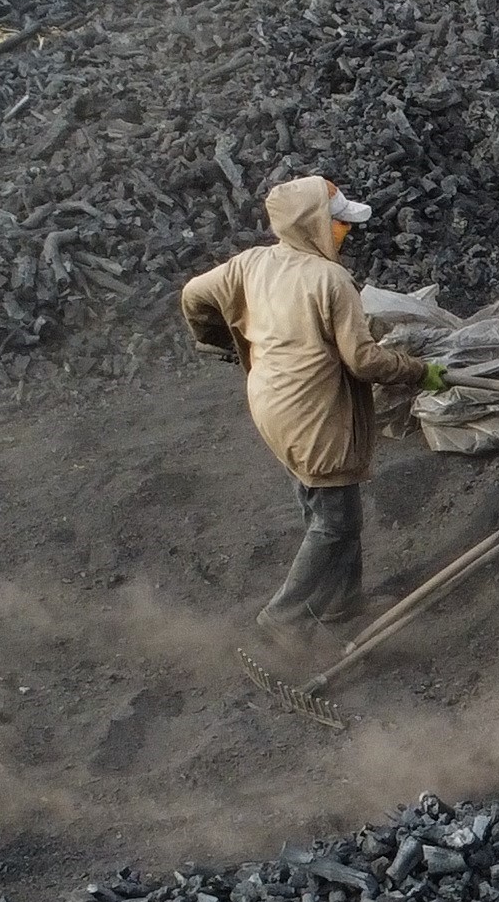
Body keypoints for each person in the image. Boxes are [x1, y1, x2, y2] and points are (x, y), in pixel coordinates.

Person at [179, 175, 448, 642]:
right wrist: (419, 371)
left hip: (271, 404)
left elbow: (193, 296)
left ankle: (343, 601)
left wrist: (219, 339)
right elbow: (363, 361)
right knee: (333, 521)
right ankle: (281, 619)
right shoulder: (331, 280)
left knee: (320, 501)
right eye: (338, 223)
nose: (345, 231)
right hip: (312, 413)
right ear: (313, 225)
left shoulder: (252, 263)